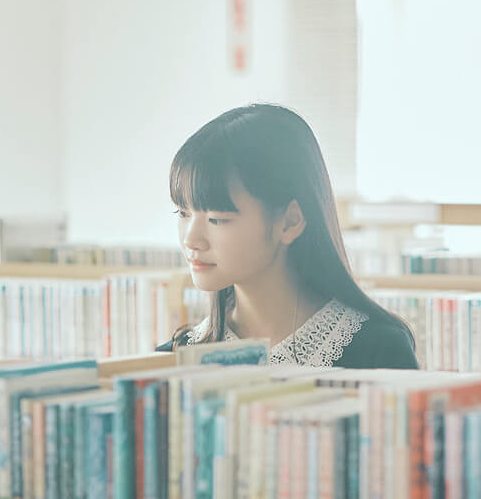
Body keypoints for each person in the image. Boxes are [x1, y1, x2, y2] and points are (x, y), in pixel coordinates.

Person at [159, 104, 419, 369]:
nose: (191, 240)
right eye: (183, 213)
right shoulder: (169, 362)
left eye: (217, 219)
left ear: (289, 222)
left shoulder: (380, 351)